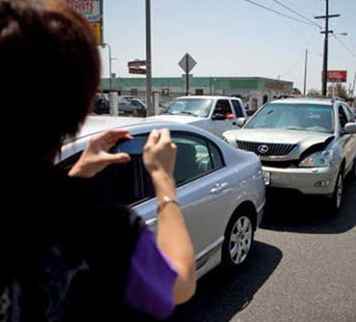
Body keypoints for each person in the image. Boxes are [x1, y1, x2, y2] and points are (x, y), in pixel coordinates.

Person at [0, 0, 196, 321]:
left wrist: (77, 173)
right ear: (81, 103)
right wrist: (163, 179)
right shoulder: (103, 232)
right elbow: (179, 283)